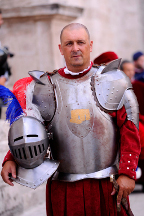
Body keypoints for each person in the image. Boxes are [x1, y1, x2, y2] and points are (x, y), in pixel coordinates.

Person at [1, 23, 140, 216]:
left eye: (80, 42)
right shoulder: (44, 86)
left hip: (107, 184)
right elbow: (30, 129)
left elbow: (129, 129)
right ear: (60, 48)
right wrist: (11, 158)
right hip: (63, 185)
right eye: (69, 43)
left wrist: (127, 172)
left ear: (90, 45)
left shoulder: (113, 80)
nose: (75, 48)